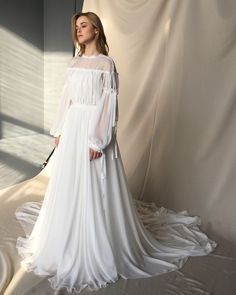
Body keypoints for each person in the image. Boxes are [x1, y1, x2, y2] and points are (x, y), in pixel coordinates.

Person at [15, 11, 217, 294]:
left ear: (96, 30)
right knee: (70, 184)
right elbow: (67, 99)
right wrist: (59, 130)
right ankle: (68, 236)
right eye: (76, 27)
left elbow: (108, 106)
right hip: (72, 129)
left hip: (91, 131)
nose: (79, 30)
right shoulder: (74, 63)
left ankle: (97, 241)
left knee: (95, 187)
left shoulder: (106, 64)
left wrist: (98, 141)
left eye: (84, 25)